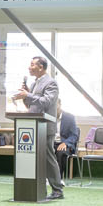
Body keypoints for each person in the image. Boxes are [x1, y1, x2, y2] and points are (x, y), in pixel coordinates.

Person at [13, 55, 66, 197]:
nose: (29, 67)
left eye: (32, 65)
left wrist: (28, 95)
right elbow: (31, 105)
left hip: (45, 127)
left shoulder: (51, 83)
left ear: (41, 67)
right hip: (33, 126)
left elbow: (46, 102)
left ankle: (57, 190)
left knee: (48, 159)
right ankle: (37, 189)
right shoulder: (34, 83)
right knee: (34, 159)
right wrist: (26, 96)